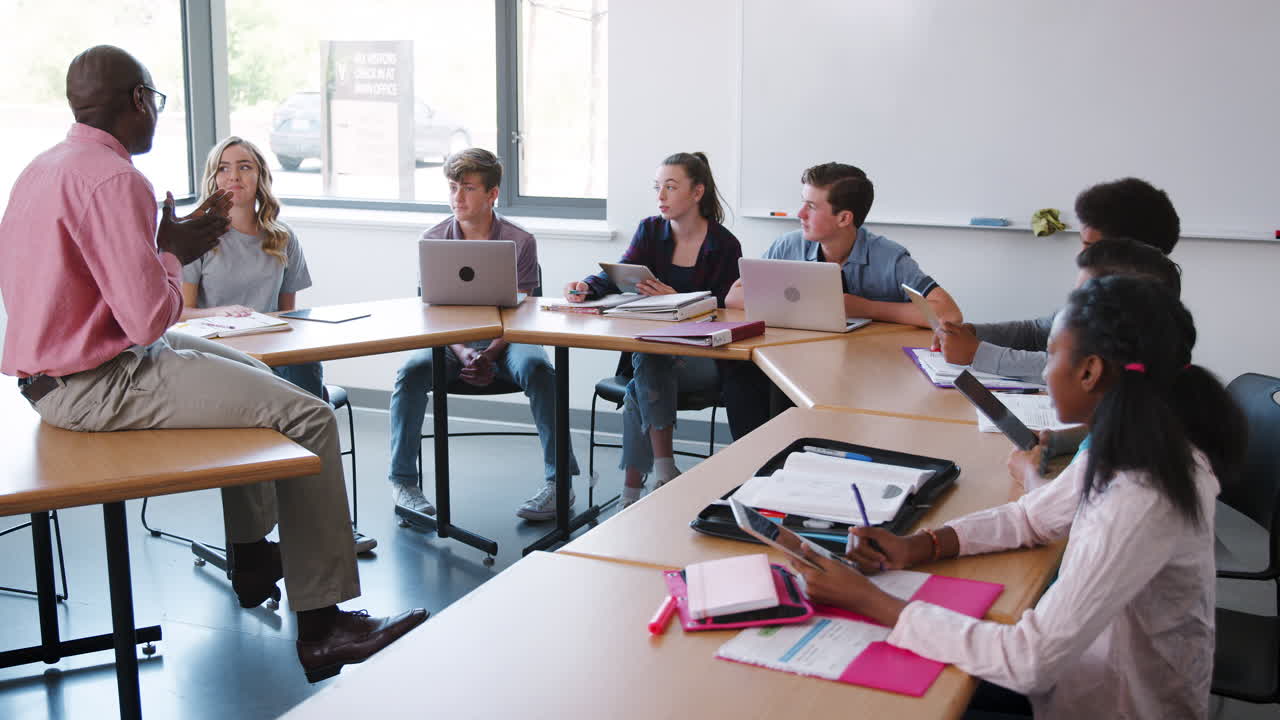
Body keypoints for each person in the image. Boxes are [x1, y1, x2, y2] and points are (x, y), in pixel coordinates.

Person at [0, 45, 425, 683]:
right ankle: (324, 625)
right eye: (155, 102)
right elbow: (151, 317)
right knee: (309, 417)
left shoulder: (43, 168)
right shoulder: (118, 179)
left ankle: (253, 557)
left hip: (60, 374)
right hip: (99, 382)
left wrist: (158, 242)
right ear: (138, 99)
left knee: (253, 381)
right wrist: (171, 253)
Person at [792, 274, 1244, 719]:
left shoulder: (1144, 493)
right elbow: (1032, 518)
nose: (1044, 374)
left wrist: (870, 601)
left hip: (1111, 702)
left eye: (1049, 357)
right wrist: (922, 544)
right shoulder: (1133, 439)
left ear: (1090, 372)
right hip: (1078, 678)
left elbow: (1029, 661)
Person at [181, 135, 376, 554]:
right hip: (220, 360)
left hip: (276, 359)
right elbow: (180, 314)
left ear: (261, 177)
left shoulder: (282, 238)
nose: (234, 176)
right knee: (294, 402)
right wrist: (222, 314)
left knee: (307, 365)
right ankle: (274, 536)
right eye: (224, 168)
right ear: (212, 179)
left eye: (245, 167)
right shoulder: (195, 237)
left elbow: (292, 318)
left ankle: (326, 525)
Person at [388, 148, 579, 521]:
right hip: (452, 343)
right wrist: (464, 353)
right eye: (453, 188)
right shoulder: (433, 239)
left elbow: (524, 311)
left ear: (492, 194)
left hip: (508, 339)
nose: (458, 198)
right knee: (410, 374)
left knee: (541, 372)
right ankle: (404, 484)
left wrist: (489, 353)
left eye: (469, 188)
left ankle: (560, 485)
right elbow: (434, 313)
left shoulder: (520, 241)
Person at [720, 162, 962, 439]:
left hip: (869, 372)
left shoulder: (890, 257)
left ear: (844, 218)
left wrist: (861, 307)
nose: (800, 214)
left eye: (811, 206)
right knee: (742, 381)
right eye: (803, 203)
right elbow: (734, 296)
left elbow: (948, 315)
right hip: (799, 360)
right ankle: (758, 463)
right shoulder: (789, 245)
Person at [563, 152, 742, 507]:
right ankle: (652, 480)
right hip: (653, 359)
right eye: (657, 187)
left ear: (697, 192)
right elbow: (621, 272)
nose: (660, 196)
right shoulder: (649, 230)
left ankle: (639, 490)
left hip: (704, 360)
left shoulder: (723, 245)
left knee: (643, 371)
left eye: (671, 187)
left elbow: (730, 309)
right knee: (642, 377)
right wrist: (586, 287)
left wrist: (683, 300)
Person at [934, 177, 1181, 381]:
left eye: (1090, 247)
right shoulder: (1096, 292)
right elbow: (1039, 332)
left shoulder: (1142, 311)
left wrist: (977, 353)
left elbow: (1073, 368)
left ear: (1130, 256)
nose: (1080, 255)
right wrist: (973, 333)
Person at [1003, 237, 1184, 491]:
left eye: (1087, 300)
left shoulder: (1129, 449)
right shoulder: (1145, 397)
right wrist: (1058, 440)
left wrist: (1029, 476)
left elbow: (1068, 516)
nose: (1074, 311)